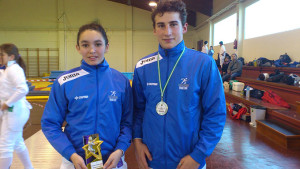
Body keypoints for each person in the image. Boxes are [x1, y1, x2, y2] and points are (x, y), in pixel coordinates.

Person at [132, 1, 226, 169]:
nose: (167, 32)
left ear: (184, 27)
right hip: (152, 161)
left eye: (173, 24)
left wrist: (198, 156)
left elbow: (216, 114)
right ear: (154, 30)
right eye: (161, 25)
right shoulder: (143, 66)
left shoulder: (204, 64)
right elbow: (138, 110)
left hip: (189, 162)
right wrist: (137, 143)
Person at [41, 23, 133, 169]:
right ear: (78, 47)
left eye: (98, 44)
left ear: (107, 46)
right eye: (85, 45)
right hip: (75, 162)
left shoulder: (121, 81)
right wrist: (70, 154)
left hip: (113, 161)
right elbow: (50, 124)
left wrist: (119, 150)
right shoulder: (65, 82)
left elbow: (128, 123)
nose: (92, 50)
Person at [0, 43, 34, 169]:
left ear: (11, 57)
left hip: (15, 112)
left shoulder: (14, 69)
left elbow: (22, 89)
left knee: (5, 145)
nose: (0, 57)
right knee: (17, 143)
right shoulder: (7, 69)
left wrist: (6, 104)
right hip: (13, 112)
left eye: (2, 54)